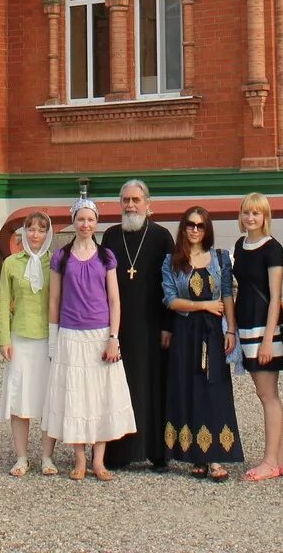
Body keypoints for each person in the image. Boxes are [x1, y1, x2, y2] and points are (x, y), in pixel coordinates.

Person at [42, 197, 137, 480]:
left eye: (90, 219)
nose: (85, 224)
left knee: (100, 396)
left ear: (96, 223)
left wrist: (114, 337)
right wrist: (52, 338)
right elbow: (55, 299)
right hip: (71, 333)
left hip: (99, 334)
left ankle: (99, 460)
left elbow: (114, 300)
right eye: (81, 219)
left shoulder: (106, 256)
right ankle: (79, 459)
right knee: (75, 396)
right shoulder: (62, 256)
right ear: (74, 222)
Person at [161, 206, 245, 481]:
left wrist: (231, 329)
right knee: (188, 388)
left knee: (214, 389)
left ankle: (216, 457)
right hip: (186, 331)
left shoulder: (220, 258)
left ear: (207, 228)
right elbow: (171, 300)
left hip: (213, 331)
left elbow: (228, 297)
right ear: (183, 227)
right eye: (190, 225)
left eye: (200, 225)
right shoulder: (171, 260)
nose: (195, 230)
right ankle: (196, 456)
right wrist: (205, 305)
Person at [98, 178, 172, 471]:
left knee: (152, 386)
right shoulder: (111, 237)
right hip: (119, 327)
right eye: (125, 200)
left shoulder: (162, 236)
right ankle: (119, 453)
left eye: (135, 200)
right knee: (118, 386)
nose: (130, 205)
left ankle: (156, 451)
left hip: (153, 325)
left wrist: (168, 325)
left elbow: (170, 285)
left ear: (147, 204)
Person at [231, 191, 283, 482]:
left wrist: (269, 338)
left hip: (264, 327)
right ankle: (281, 457)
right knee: (264, 393)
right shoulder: (240, 246)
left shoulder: (273, 248)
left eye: (256, 213)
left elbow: (275, 296)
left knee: (268, 395)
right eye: (246, 212)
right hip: (245, 324)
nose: (250, 217)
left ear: (265, 216)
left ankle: (270, 460)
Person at [0, 211, 58, 477]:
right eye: (30, 229)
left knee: (47, 400)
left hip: (47, 339)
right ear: (23, 233)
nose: (35, 235)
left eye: (41, 230)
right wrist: (4, 339)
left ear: (48, 234)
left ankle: (47, 457)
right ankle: (21, 457)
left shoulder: (55, 263)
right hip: (20, 338)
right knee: (20, 399)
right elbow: (2, 302)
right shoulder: (11, 263)